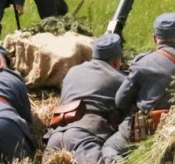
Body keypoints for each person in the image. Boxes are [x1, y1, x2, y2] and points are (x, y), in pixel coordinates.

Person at [102, 14, 175, 162]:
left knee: (110, 148)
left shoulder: (143, 63)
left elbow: (120, 100)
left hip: (149, 131)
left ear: (155, 38)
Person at [43, 33, 126, 164]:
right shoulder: (120, 79)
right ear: (117, 61)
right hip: (83, 138)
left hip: (56, 137)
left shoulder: (72, 71)